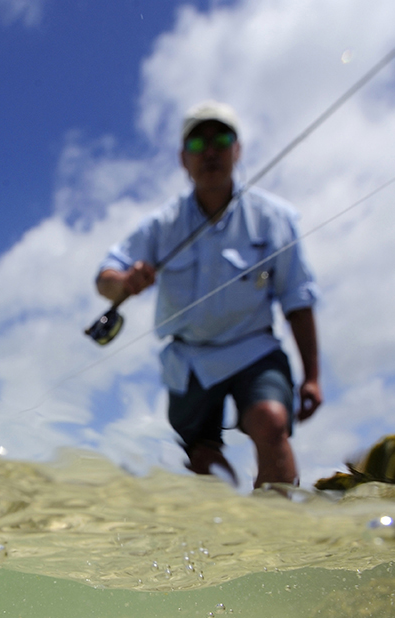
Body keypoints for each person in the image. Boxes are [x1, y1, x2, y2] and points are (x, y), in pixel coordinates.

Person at [95, 101, 322, 487]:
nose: (210, 151)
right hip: (189, 360)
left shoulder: (274, 217)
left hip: (254, 348)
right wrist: (123, 283)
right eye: (198, 145)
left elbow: (297, 300)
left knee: (270, 422)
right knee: (203, 459)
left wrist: (312, 377)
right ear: (183, 159)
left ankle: (280, 538)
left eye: (221, 140)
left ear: (238, 150)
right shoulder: (160, 224)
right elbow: (105, 277)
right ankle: (231, 531)